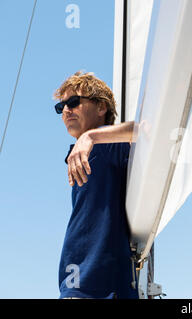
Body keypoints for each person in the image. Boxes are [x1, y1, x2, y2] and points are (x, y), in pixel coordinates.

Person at [54, 71, 139, 299]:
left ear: (101, 108)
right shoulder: (81, 152)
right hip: (81, 283)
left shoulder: (106, 143)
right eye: (60, 107)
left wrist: (91, 137)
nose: (66, 110)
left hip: (95, 284)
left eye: (73, 102)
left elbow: (149, 129)